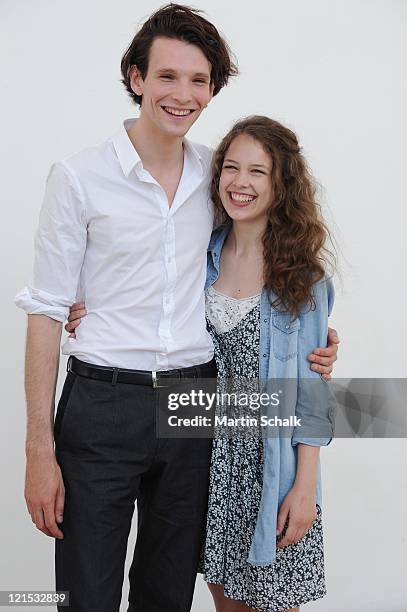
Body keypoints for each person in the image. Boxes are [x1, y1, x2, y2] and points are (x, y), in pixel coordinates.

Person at [15, 4, 339, 611]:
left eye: (198, 80)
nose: (182, 94)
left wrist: (311, 338)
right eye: (167, 76)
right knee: (84, 596)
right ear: (137, 78)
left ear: (212, 89)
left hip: (196, 408)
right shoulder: (79, 176)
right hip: (101, 404)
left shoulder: (218, 177)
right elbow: (47, 309)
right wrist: (38, 447)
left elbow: (272, 269)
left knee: (167, 597)